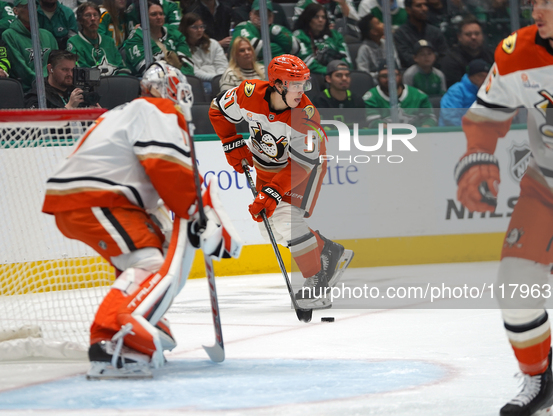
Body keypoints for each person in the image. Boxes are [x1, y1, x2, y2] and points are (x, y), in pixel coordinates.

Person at [41, 61, 242, 375]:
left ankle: (144, 317)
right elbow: (166, 167)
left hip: (89, 197)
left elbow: (155, 176)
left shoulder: (126, 111)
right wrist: (196, 213)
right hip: (98, 198)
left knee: (151, 251)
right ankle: (112, 339)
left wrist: (192, 210)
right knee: (152, 264)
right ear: (162, 90)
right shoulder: (157, 110)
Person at [454, 0, 553, 414]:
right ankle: (538, 383)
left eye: (546, 2)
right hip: (548, 189)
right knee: (515, 288)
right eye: (532, 2)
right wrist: (477, 157)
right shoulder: (517, 52)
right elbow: (486, 115)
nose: (536, 9)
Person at [209, 54, 354, 308]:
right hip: (267, 167)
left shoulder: (305, 114)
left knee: (285, 216)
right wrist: (230, 142)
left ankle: (317, 281)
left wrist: (274, 192)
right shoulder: (247, 93)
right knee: (268, 228)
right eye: (295, 84)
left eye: (304, 84)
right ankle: (327, 251)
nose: (302, 91)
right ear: (277, 84)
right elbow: (217, 109)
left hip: (304, 167)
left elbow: (303, 163)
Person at [123, 0, 194, 76]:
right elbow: (147, 71)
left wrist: (178, 77)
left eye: (161, 14)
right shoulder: (135, 39)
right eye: (154, 14)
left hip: (179, 80)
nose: (159, 17)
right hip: (149, 83)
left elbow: (188, 66)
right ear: (144, 17)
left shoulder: (175, 34)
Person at [1, 0, 57, 93]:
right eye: (26, 7)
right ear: (15, 10)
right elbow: (21, 69)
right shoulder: (9, 35)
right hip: (27, 91)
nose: (32, 10)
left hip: (53, 89)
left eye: (34, 6)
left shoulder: (48, 35)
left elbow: (57, 63)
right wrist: (44, 82)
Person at [363, 61, 436, 128]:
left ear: (400, 76)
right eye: (384, 76)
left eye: (393, 75)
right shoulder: (371, 98)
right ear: (378, 78)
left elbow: (429, 119)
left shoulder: (419, 96)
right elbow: (373, 123)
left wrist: (423, 132)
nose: (389, 79)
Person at [67, 3, 130, 77]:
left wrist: (120, 79)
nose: (93, 19)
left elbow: (122, 67)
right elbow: (81, 72)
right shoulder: (74, 42)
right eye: (88, 15)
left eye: (95, 15)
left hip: (115, 84)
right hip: (91, 86)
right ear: (80, 21)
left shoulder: (109, 41)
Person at [24, 49, 97, 108]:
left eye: (72, 70)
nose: (70, 74)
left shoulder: (77, 90)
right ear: (50, 69)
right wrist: (69, 108)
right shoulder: (38, 96)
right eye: (65, 70)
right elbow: (39, 123)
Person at [293, 3, 352, 75]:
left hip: (338, 74)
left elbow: (346, 59)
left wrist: (339, 70)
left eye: (323, 17)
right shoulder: (299, 36)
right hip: (314, 77)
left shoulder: (335, 35)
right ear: (308, 19)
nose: (320, 20)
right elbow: (308, 65)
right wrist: (332, 72)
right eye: (316, 17)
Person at [231, 0, 300, 61]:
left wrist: (274, 32)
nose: (262, 17)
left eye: (267, 14)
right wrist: (283, 52)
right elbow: (253, 48)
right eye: (258, 13)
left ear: (272, 17)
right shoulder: (242, 27)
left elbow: (295, 47)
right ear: (251, 14)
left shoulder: (276, 29)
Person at [179, 12, 228, 96]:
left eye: (202, 27)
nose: (199, 30)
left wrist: (220, 79)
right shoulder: (182, 49)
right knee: (208, 89)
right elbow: (195, 72)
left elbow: (222, 65)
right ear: (185, 29)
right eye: (194, 27)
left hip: (219, 79)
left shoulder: (213, 44)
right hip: (199, 82)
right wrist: (216, 79)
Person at [440, 16, 494, 88]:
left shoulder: (492, 56)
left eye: (477, 34)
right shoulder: (450, 60)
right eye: (468, 34)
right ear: (459, 37)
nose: (473, 37)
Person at [393, 0, 448, 70]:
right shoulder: (400, 34)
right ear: (408, 10)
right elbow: (406, 59)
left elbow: (443, 55)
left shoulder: (435, 31)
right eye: (419, 6)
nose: (424, 9)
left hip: (436, 72)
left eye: (425, 5)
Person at [439, 58, 489, 126]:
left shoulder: (487, 93)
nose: (484, 80)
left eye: (487, 77)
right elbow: (450, 117)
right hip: (453, 133)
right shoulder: (456, 91)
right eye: (480, 76)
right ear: (470, 76)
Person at [356, 14, 386, 83]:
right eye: (379, 23)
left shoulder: (387, 44)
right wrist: (381, 76)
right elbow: (364, 74)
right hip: (374, 83)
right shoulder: (364, 49)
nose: (383, 24)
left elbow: (396, 64)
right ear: (374, 32)